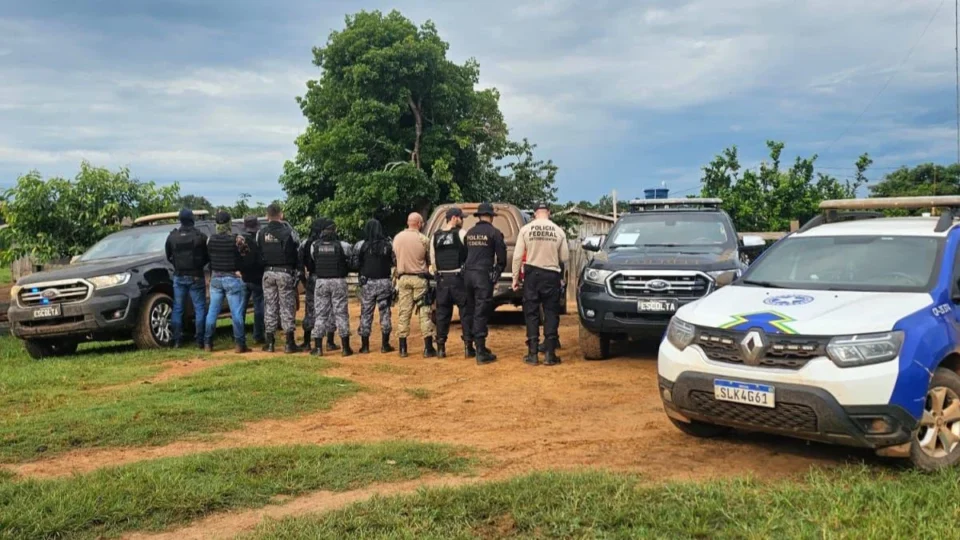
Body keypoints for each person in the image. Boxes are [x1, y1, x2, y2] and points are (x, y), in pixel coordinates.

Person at [513, 202, 570, 366]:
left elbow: (517, 257)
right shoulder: (558, 231)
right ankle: (550, 354)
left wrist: (515, 279)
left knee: (531, 313)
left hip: (532, 274)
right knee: (551, 313)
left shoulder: (526, 230)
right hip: (551, 274)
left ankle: (532, 355)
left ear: (535, 213)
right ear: (549, 213)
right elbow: (565, 257)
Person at [463, 203, 507, 365]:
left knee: (470, 310)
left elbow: (464, 255)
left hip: (468, 275)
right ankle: (480, 351)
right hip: (482, 276)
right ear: (491, 217)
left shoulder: (469, 233)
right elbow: (502, 259)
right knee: (481, 311)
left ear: (479, 216)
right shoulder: (494, 233)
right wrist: (495, 276)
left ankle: (470, 346)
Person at [257, 203, 301, 353]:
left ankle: (270, 343)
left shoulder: (261, 233)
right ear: (281, 215)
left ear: (267, 215)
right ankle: (289, 343)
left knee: (270, 306)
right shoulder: (290, 232)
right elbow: (298, 253)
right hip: (285, 272)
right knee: (287, 306)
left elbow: (259, 253)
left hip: (268, 273)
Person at [204, 210, 250, 353]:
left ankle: (208, 343)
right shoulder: (237, 239)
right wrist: (239, 270)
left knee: (212, 312)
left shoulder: (210, 239)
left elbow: (208, 258)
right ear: (229, 223)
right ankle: (239, 344)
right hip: (232, 278)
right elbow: (245, 256)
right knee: (236, 313)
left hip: (216, 278)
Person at [392, 212, 437, 358]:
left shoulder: (397, 238)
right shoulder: (423, 239)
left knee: (404, 313)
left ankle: (403, 348)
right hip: (419, 279)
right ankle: (428, 347)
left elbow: (395, 258)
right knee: (424, 313)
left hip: (403, 278)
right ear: (419, 223)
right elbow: (430, 261)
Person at [307, 218, 354, 357]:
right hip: (338, 281)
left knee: (320, 314)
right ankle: (345, 348)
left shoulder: (314, 245)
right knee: (341, 314)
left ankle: (318, 348)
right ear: (335, 231)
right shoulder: (343, 245)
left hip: (321, 282)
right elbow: (350, 259)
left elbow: (314, 259)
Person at [430, 207, 471, 359]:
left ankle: (441, 348)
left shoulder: (435, 236)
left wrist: (437, 273)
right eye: (461, 217)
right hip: (458, 279)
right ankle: (468, 347)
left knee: (442, 314)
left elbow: (433, 259)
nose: (463, 220)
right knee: (465, 312)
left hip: (442, 279)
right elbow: (468, 254)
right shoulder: (461, 233)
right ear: (454, 218)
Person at [164, 208, 209, 349]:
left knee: (178, 308)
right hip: (196, 275)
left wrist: (177, 266)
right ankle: (200, 341)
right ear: (192, 219)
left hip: (179, 276)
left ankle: (177, 341)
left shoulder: (172, 237)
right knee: (200, 308)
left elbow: (168, 255)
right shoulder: (200, 236)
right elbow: (207, 256)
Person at [354, 218, 396, 354]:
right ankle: (385, 345)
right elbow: (394, 261)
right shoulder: (388, 244)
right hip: (384, 282)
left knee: (366, 313)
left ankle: (365, 346)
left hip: (368, 283)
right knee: (385, 313)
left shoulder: (362, 245)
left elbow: (355, 263)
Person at [299, 219, 340, 352]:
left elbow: (300, 265)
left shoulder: (306, 243)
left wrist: (305, 282)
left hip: (312, 277)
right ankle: (330, 341)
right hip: (327, 277)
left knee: (310, 310)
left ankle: (307, 342)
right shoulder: (333, 243)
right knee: (330, 310)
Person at [239, 215, 265, 345]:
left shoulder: (240, 240)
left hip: (243, 278)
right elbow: (261, 260)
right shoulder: (258, 240)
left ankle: (239, 334)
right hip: (257, 279)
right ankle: (258, 335)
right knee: (258, 307)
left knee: (241, 308)